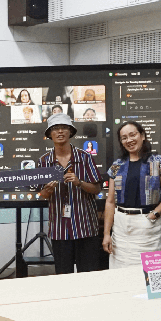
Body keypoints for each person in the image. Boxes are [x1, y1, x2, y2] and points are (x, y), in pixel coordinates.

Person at [103, 121, 161, 268]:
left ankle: (154, 287)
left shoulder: (158, 162)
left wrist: (154, 214)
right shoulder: (117, 165)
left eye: (132, 135)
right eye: (124, 138)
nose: (129, 140)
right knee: (121, 273)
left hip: (147, 225)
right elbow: (110, 202)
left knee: (152, 273)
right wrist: (106, 234)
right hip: (121, 226)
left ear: (142, 135)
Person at [37, 114, 102, 274]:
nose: (60, 131)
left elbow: (97, 189)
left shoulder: (85, 158)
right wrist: (47, 191)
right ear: (49, 134)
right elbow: (41, 194)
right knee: (63, 276)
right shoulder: (44, 161)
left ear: (70, 132)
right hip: (59, 229)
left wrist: (80, 183)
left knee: (88, 275)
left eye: (64, 128)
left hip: (85, 227)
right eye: (55, 129)